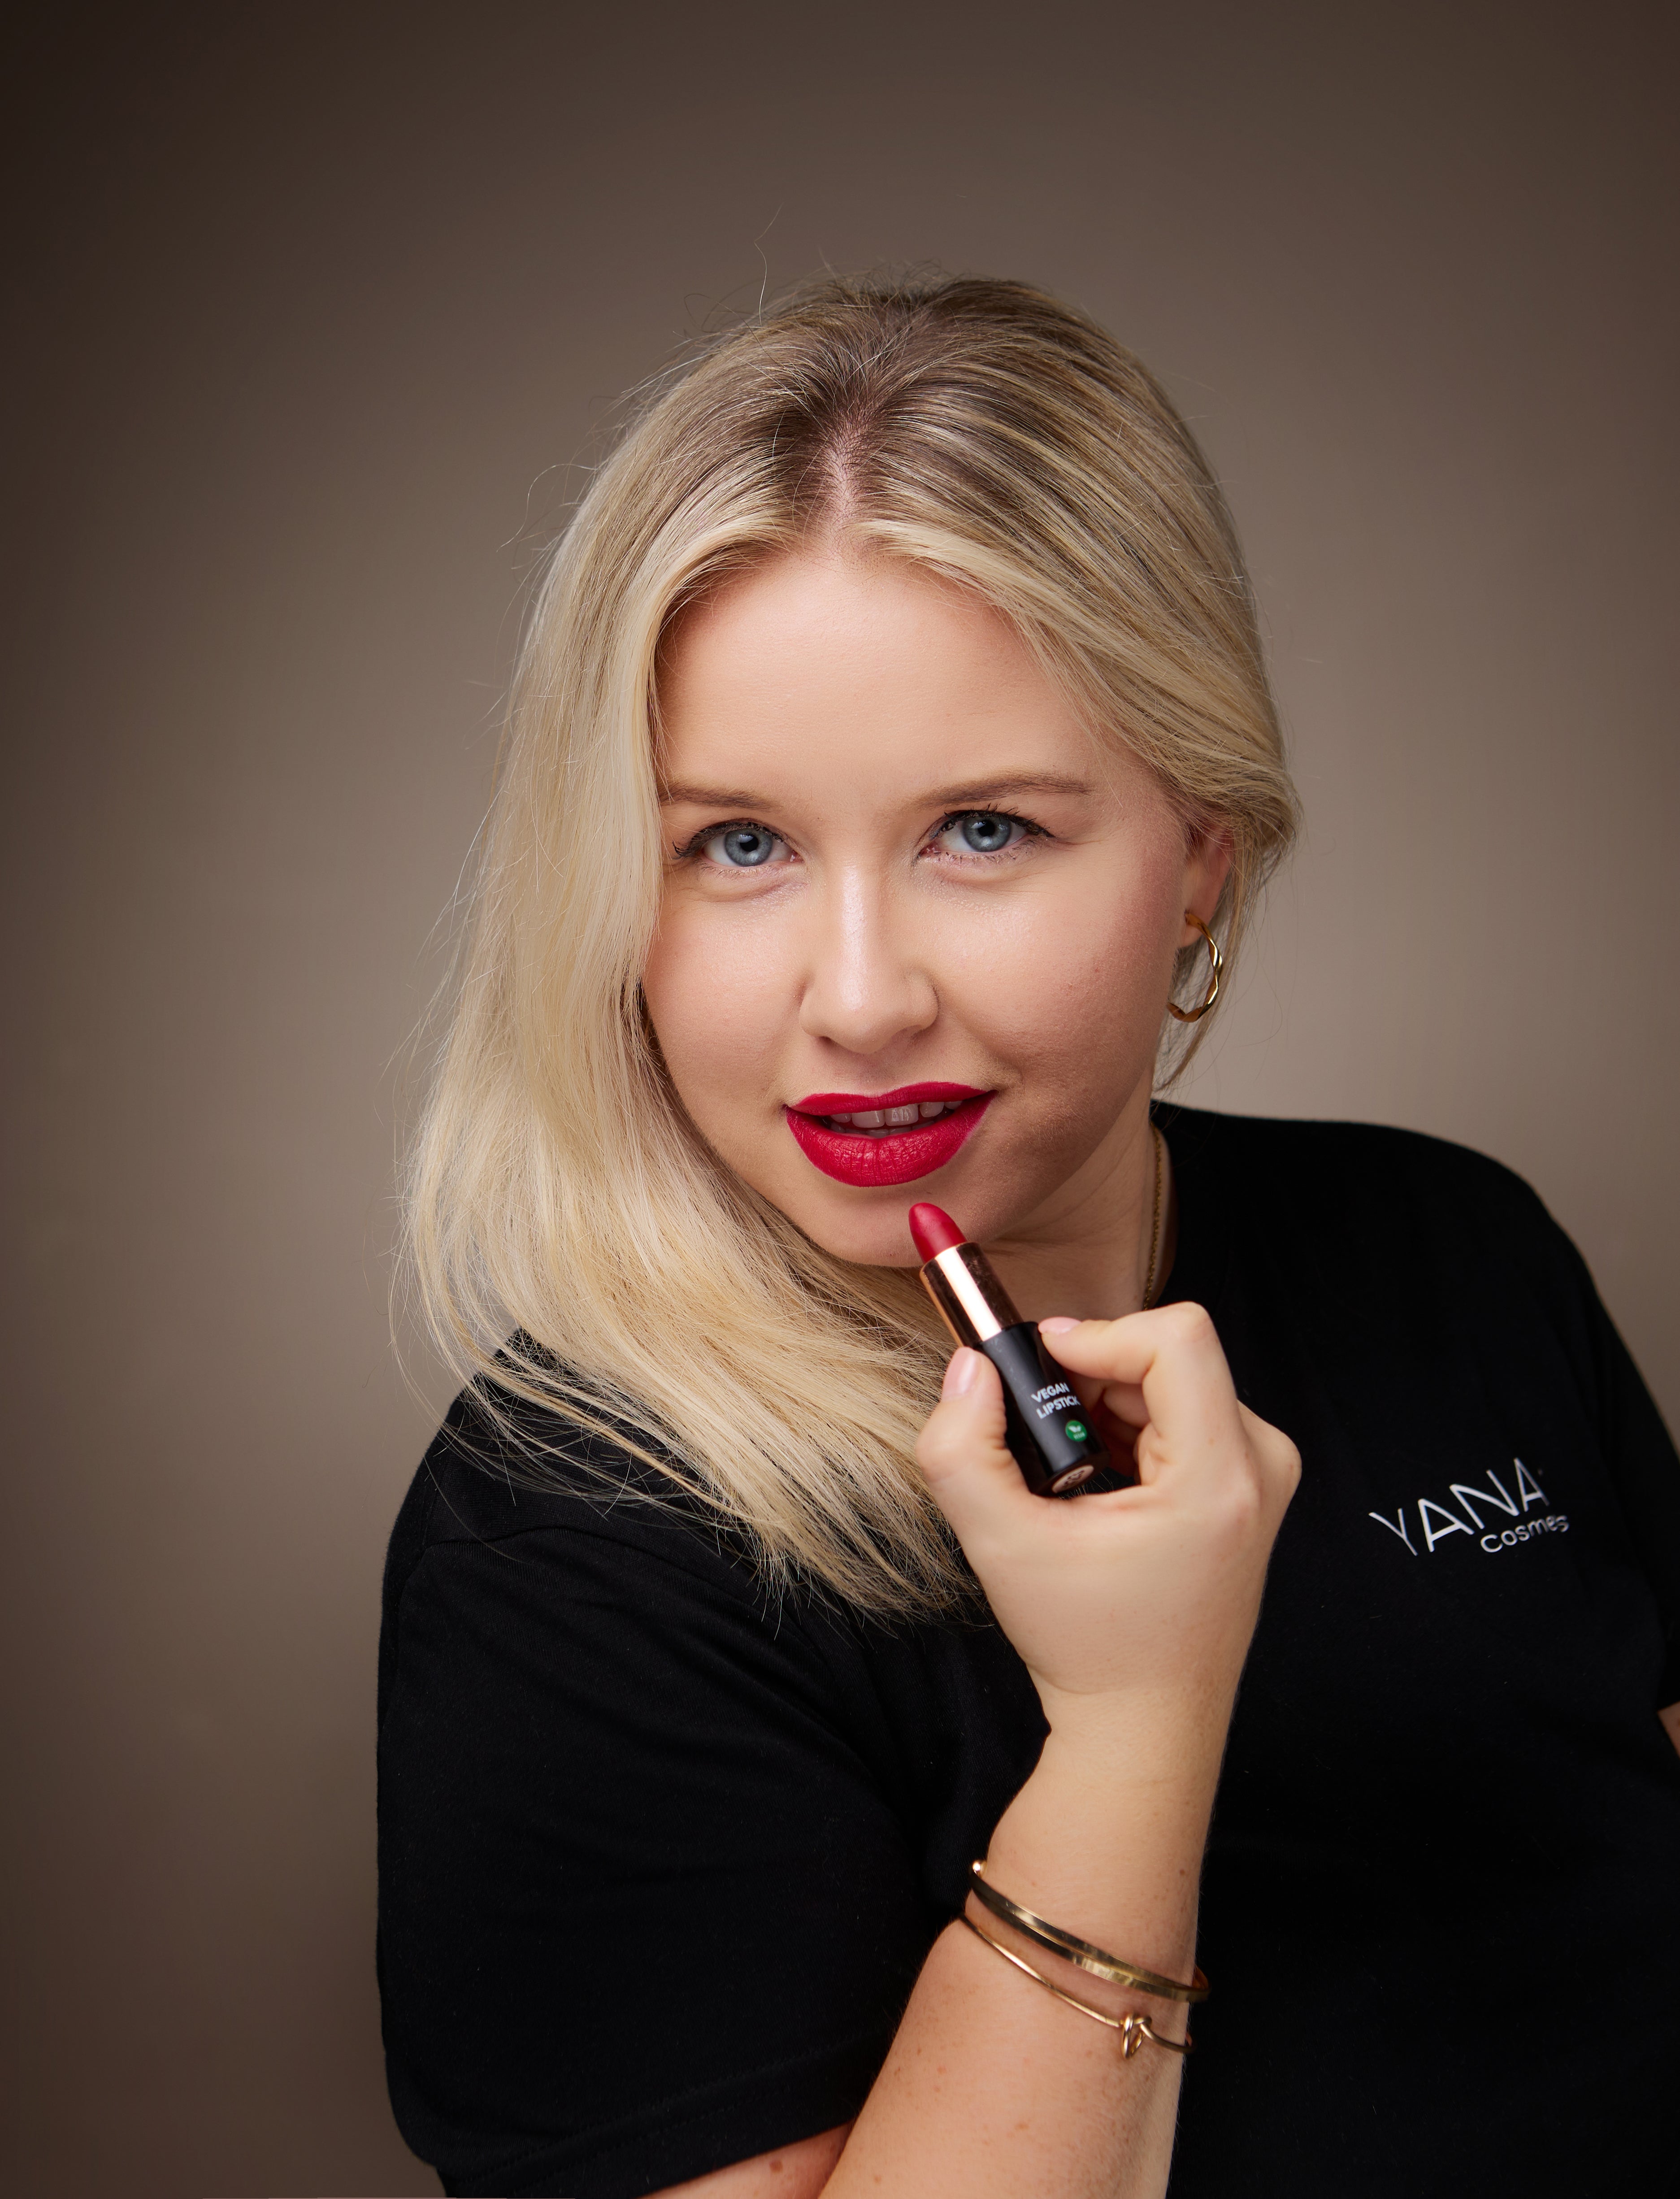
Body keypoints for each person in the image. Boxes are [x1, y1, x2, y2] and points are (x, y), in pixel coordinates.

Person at [377, 276, 1680, 2199]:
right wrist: (1137, 1720)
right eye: (734, 843)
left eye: (981, 829)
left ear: (1200, 855)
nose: (860, 997)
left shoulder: (1450, 1244)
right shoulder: (566, 1545)